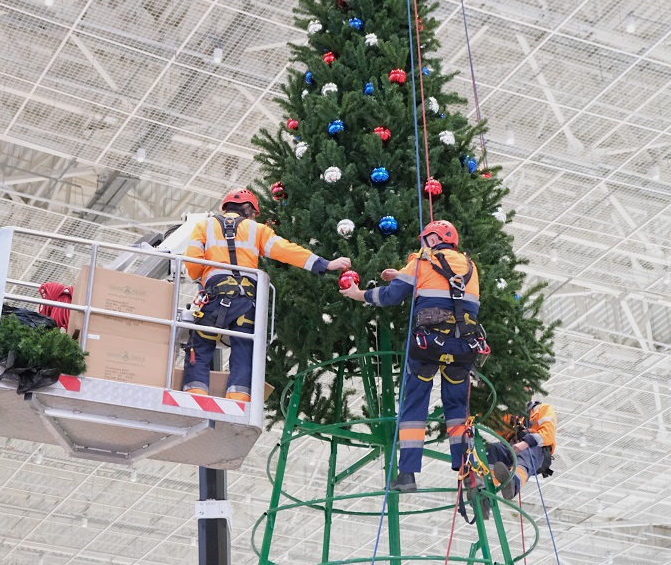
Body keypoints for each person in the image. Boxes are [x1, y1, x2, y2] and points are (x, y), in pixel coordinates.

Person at [339, 219, 487, 492]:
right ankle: (467, 473)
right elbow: (449, 293)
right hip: (464, 348)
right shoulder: (471, 267)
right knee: (457, 410)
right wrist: (404, 275)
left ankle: (407, 475)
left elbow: (390, 297)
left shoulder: (421, 262)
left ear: (432, 239)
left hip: (428, 346)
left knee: (414, 406)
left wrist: (358, 294)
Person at [183, 188, 351, 402]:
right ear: (247, 208)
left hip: (214, 297)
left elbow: (193, 265)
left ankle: (195, 394)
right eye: (253, 213)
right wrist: (323, 264)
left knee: (200, 343)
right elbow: (286, 251)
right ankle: (238, 398)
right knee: (244, 348)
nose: (253, 218)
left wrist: (203, 275)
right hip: (246, 302)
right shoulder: (257, 230)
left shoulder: (203, 226)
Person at [487, 398, 556, 499]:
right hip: (512, 447)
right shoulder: (512, 417)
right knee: (492, 449)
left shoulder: (542, 409)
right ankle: (488, 482)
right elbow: (493, 420)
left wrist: (526, 443)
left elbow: (548, 434)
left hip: (536, 449)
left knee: (526, 454)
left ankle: (514, 482)